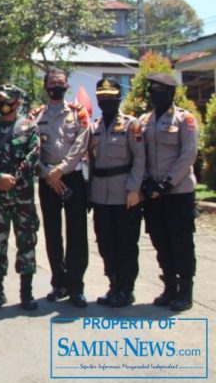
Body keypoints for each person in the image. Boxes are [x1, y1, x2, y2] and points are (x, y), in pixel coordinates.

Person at [29, 68, 90, 308]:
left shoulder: (78, 112)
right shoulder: (36, 115)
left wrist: (61, 170)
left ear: (67, 86)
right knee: (52, 233)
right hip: (47, 179)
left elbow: (81, 143)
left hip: (72, 176)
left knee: (77, 233)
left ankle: (76, 286)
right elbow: (31, 147)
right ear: (46, 86)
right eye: (53, 82)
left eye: (61, 82)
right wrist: (47, 173)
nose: (57, 86)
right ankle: (59, 282)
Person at [140, 73, 198, 311]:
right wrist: (147, 182)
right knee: (160, 240)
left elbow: (188, 154)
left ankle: (185, 290)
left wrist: (167, 183)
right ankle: (169, 287)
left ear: (171, 93)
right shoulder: (144, 121)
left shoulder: (185, 119)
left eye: (161, 91)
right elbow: (138, 155)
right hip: (153, 194)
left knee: (181, 241)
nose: (155, 95)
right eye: (152, 91)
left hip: (178, 192)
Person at [0, 85, 40, 311]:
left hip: (22, 198)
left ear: (17, 102)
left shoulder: (29, 127)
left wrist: (12, 178)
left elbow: (33, 156)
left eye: (6, 100)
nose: (2, 104)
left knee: (26, 243)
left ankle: (27, 293)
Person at [88, 78, 145, 308]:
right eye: (102, 97)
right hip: (101, 195)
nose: (106, 101)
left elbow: (140, 159)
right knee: (105, 243)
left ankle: (126, 288)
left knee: (126, 243)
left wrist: (134, 189)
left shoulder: (132, 125)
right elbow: (90, 164)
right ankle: (113, 285)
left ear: (118, 98)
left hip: (125, 195)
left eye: (110, 97)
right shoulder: (94, 127)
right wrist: (89, 195)